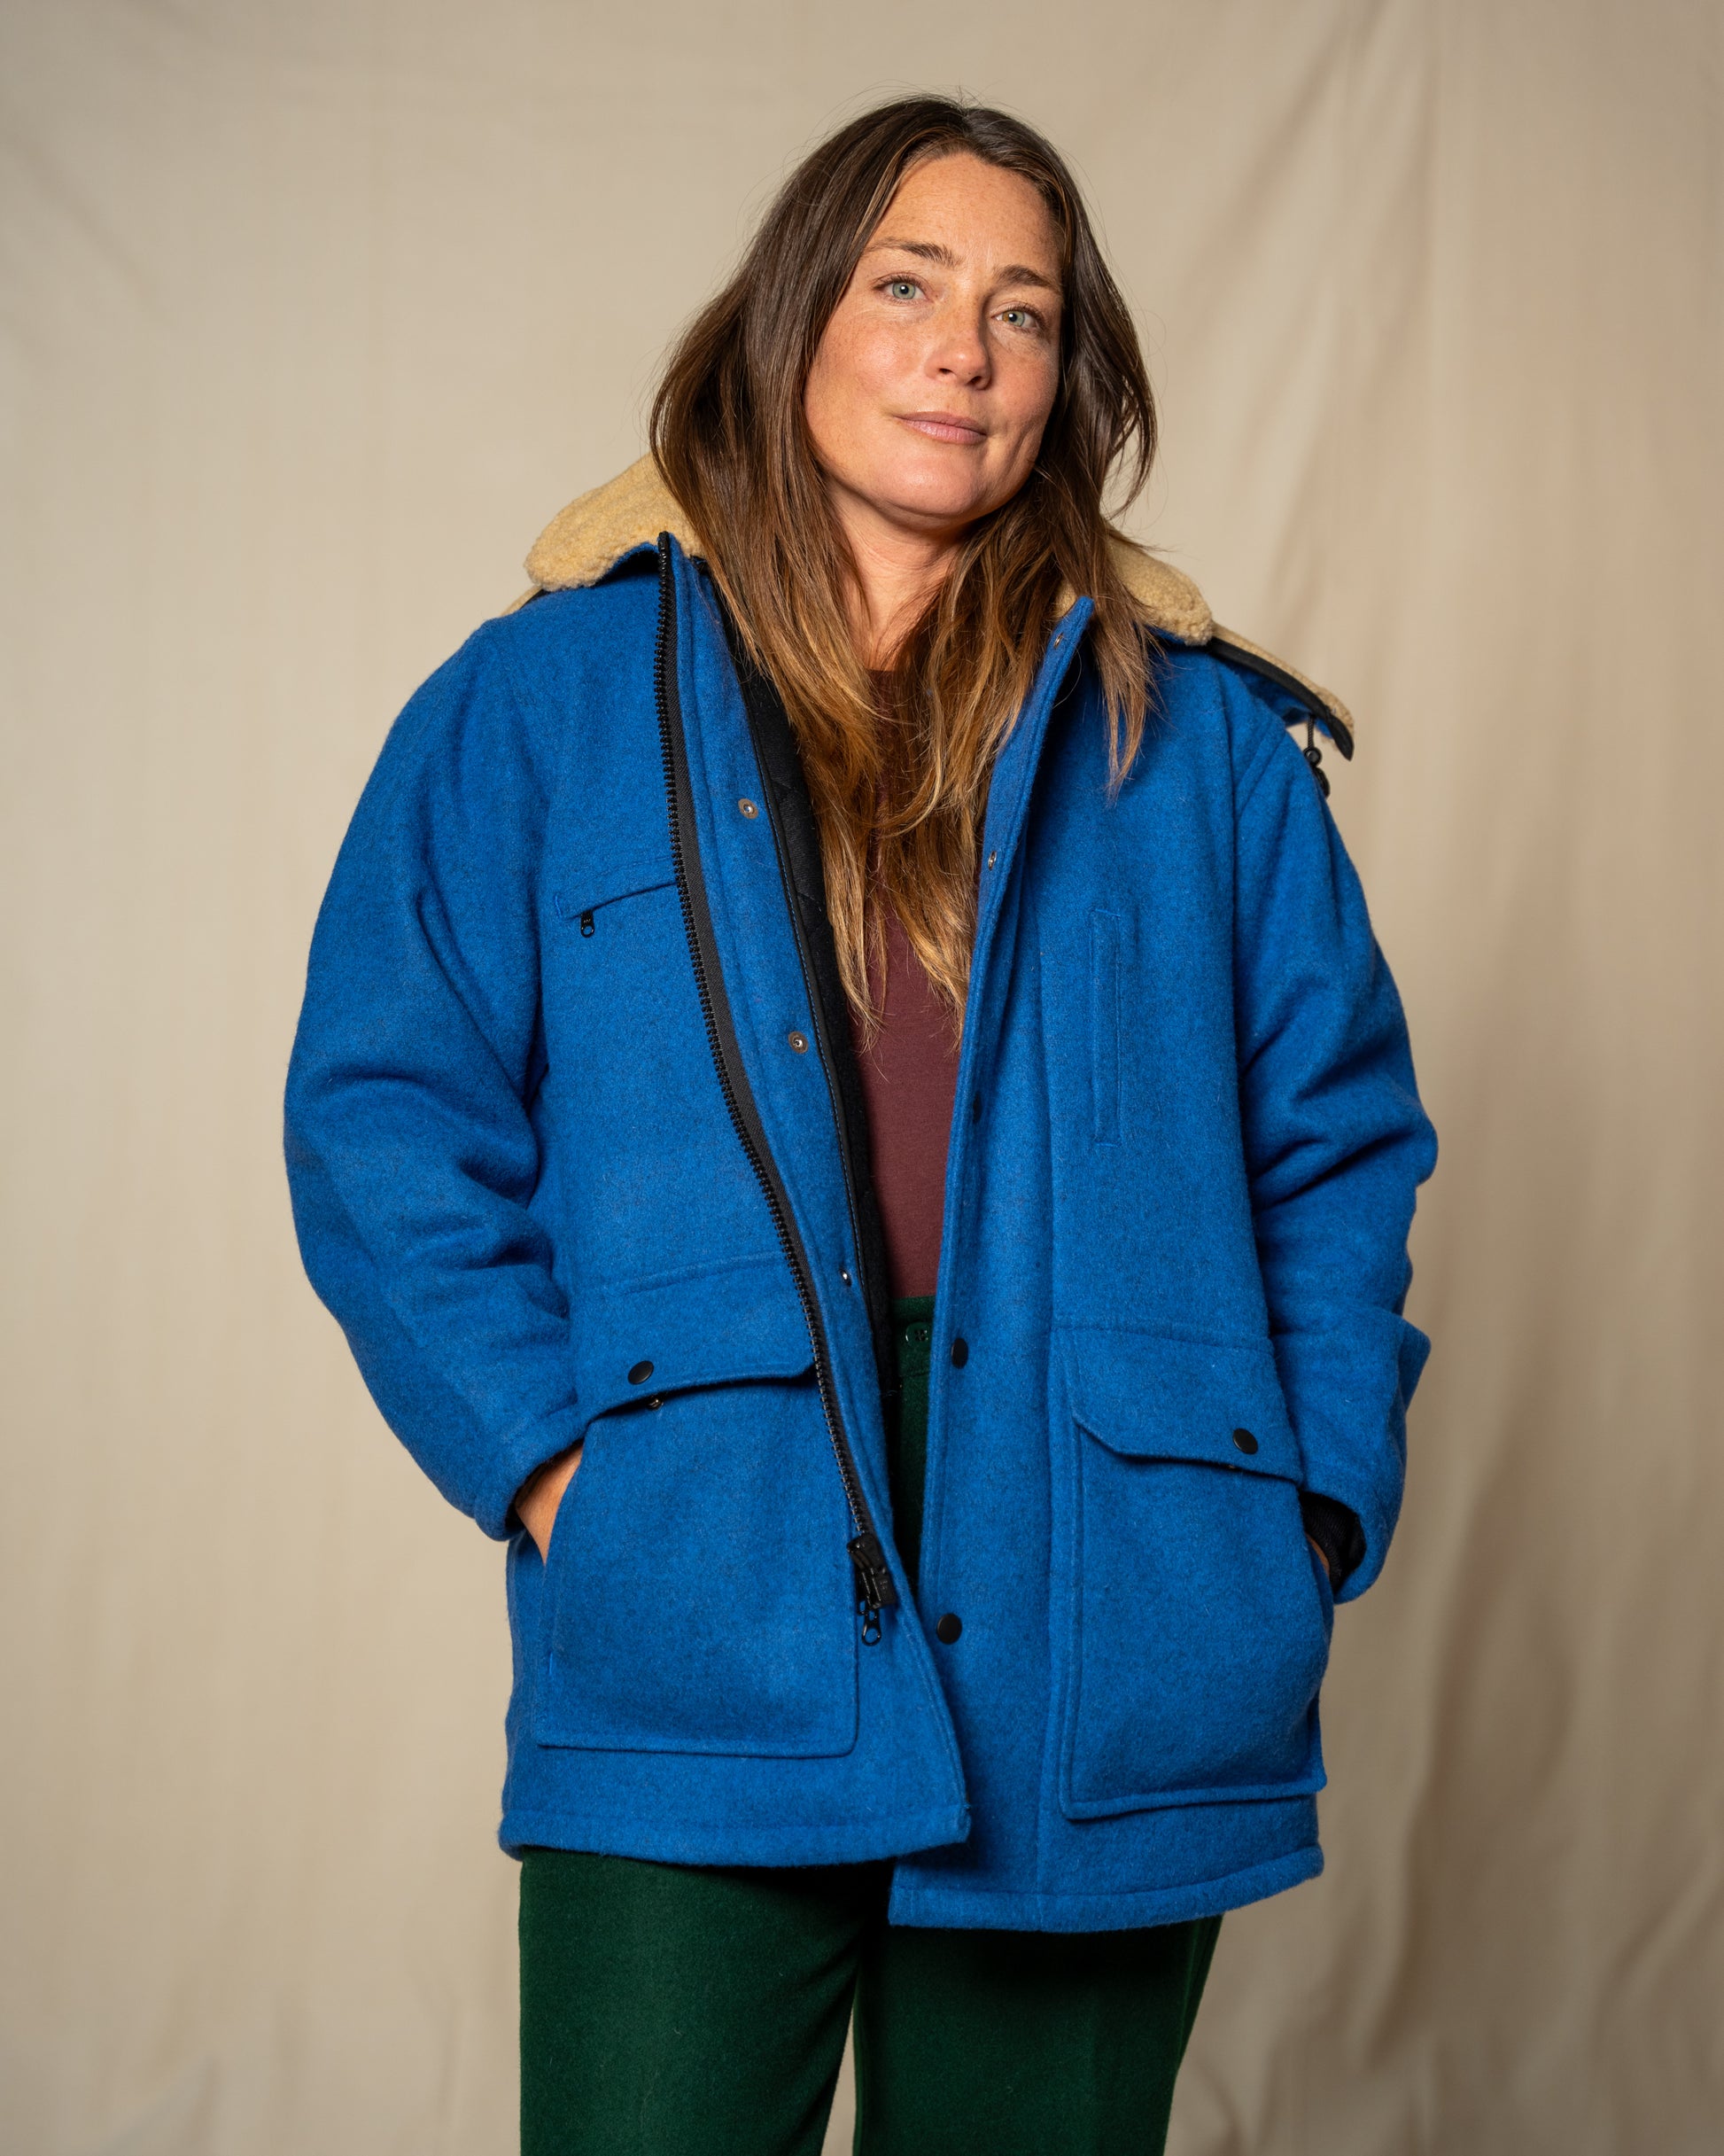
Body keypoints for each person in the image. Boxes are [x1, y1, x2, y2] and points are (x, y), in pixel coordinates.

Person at [285, 95, 1436, 2156]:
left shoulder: (1201, 744)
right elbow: (385, 1109)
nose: (963, 349)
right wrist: (555, 1469)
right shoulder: (545, 696)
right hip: (697, 1574)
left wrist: (1300, 1517)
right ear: (795, 313)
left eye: (1023, 309)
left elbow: (1335, 1148)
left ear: (1066, 377)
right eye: (908, 285)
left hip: (1111, 1599)